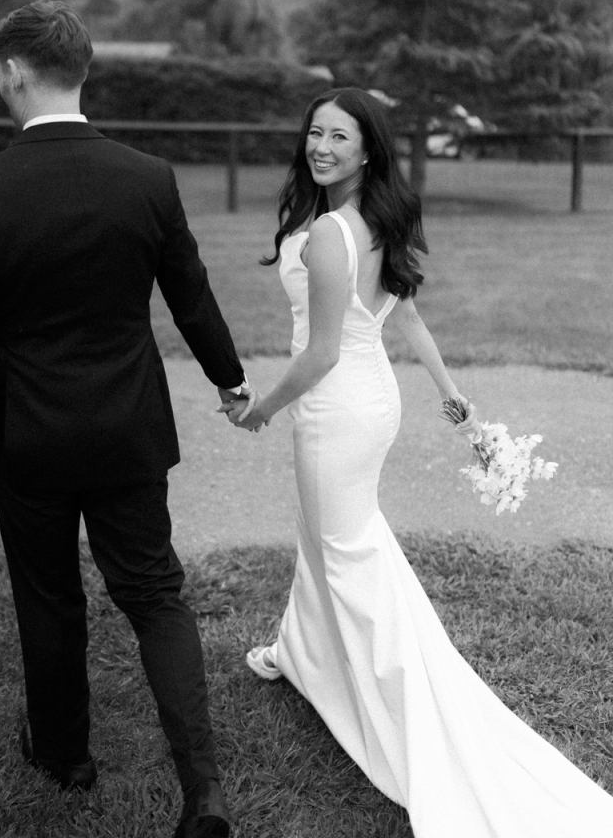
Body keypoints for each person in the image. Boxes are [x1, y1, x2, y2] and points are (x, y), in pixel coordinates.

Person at [219, 87, 613, 837]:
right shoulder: (372, 218)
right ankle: (299, 653)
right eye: (314, 133)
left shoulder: (335, 233)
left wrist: (261, 409)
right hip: (368, 404)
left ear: (369, 148)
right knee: (327, 539)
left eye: (338, 136)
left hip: (337, 408)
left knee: (346, 553)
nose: (320, 146)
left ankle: (407, 702)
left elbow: (325, 350)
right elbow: (405, 309)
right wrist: (455, 399)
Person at [0, 0, 250, 838]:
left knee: (48, 592)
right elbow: (192, 299)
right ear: (83, 70)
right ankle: (202, 790)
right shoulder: (147, 177)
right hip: (130, 422)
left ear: (14, 70)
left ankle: (65, 755)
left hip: (26, 429)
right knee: (153, 592)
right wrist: (229, 378)